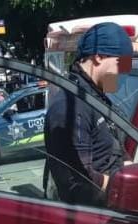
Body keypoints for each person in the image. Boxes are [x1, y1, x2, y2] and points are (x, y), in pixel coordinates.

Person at [44, 22, 133, 205]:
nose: (125, 73)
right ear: (99, 56)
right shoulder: (70, 106)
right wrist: (123, 188)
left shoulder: (96, 98)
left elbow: (114, 153)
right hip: (95, 220)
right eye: (122, 65)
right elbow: (77, 178)